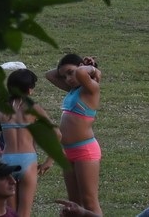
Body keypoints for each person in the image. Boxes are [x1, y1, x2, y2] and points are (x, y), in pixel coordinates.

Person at [0, 67, 52, 217]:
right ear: (30, 90)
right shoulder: (34, 108)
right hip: (28, 160)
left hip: (6, 161)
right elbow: (57, 134)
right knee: (24, 213)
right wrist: (48, 161)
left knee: (9, 213)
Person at [45, 54, 103, 216]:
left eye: (71, 72)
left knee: (89, 201)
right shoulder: (72, 90)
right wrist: (76, 69)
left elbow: (81, 74)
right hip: (67, 152)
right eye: (65, 76)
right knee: (74, 203)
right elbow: (49, 75)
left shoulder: (91, 88)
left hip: (85, 151)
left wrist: (92, 68)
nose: (69, 78)